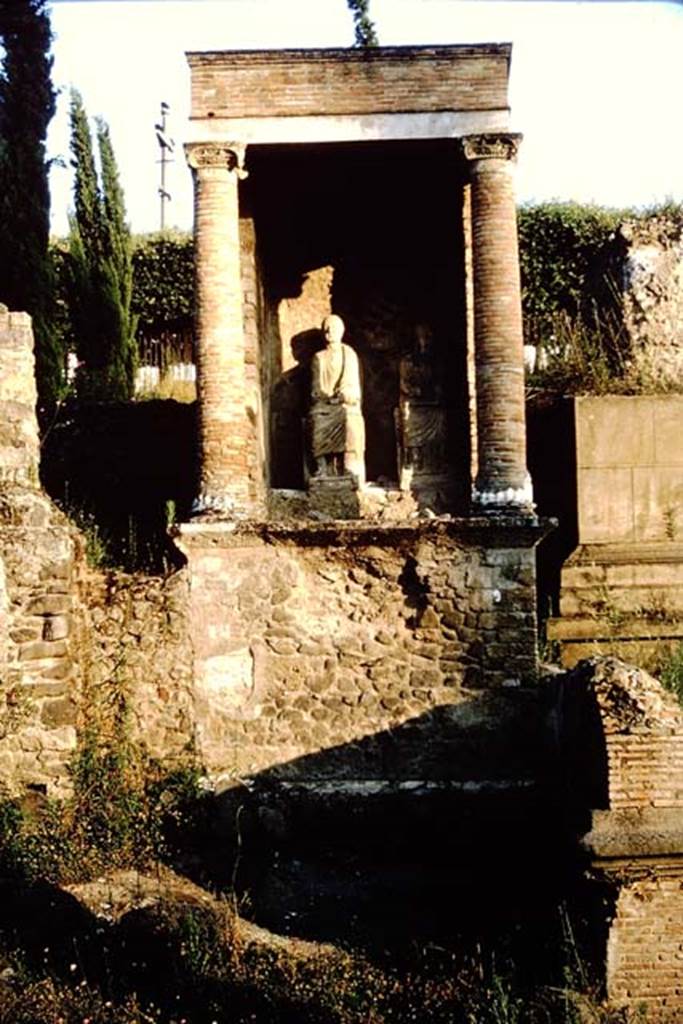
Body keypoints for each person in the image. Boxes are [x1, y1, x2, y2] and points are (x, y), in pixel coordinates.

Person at [309, 314, 365, 485]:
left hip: (345, 402)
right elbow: (315, 388)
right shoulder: (318, 357)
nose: (329, 331)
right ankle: (322, 467)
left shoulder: (349, 354)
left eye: (333, 328)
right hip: (325, 404)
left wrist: (343, 395)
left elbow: (353, 385)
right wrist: (326, 397)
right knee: (317, 418)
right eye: (326, 328)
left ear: (342, 331)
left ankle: (347, 466)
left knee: (349, 418)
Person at [397, 323, 447, 485]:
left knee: (440, 417)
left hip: (431, 402)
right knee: (410, 419)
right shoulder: (407, 360)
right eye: (421, 337)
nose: (424, 341)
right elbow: (404, 384)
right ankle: (414, 460)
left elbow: (439, 382)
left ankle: (434, 462)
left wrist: (435, 392)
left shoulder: (436, 361)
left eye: (427, 338)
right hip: (413, 402)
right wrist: (414, 391)